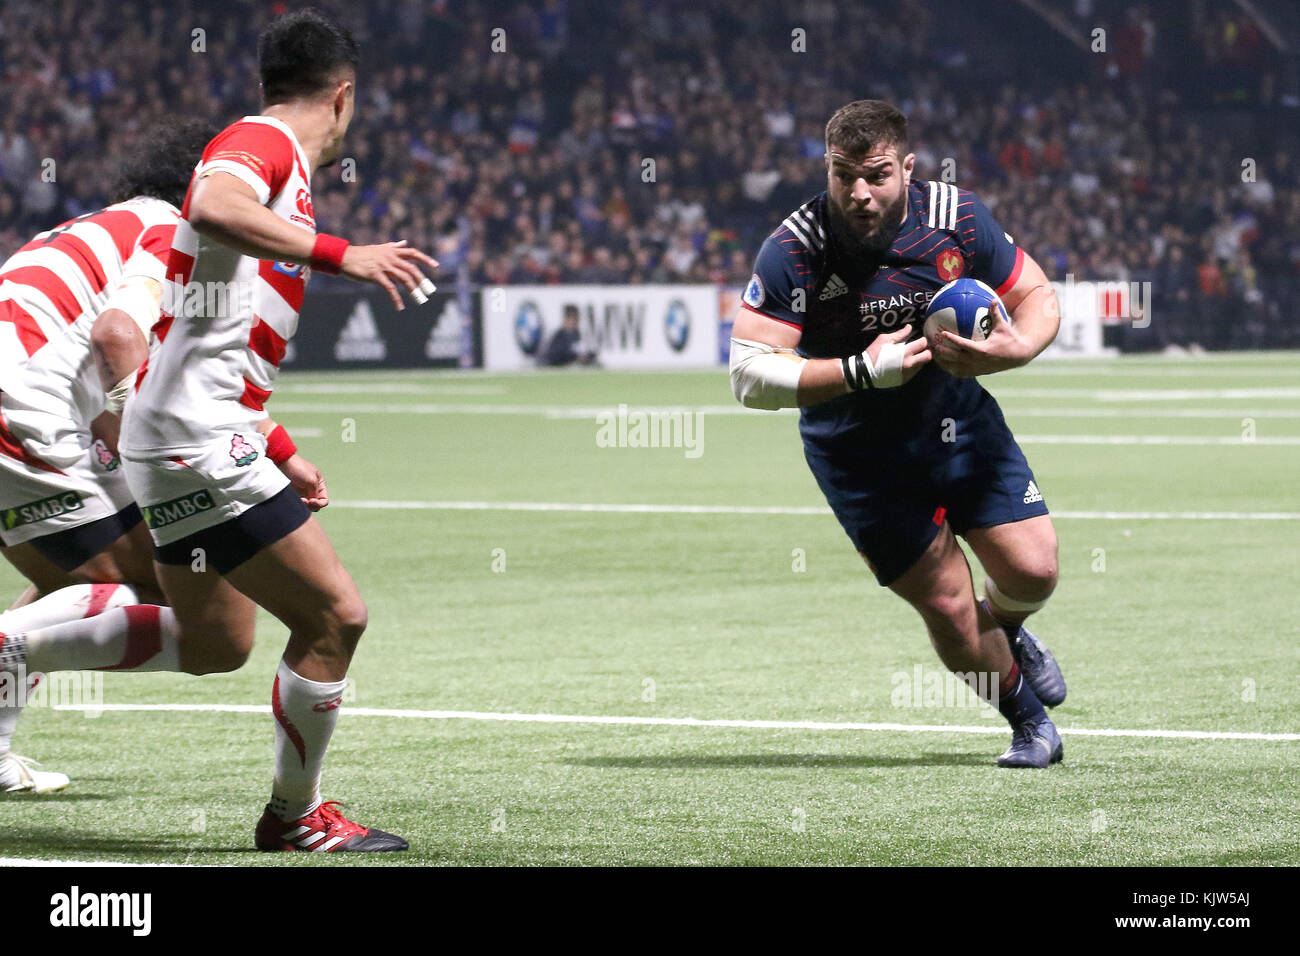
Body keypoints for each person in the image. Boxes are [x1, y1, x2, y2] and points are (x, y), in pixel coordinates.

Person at [0, 9, 438, 849]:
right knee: (335, 618)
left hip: (184, 434)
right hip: (189, 440)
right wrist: (344, 253)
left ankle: (16, 650)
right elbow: (210, 197)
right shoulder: (263, 144)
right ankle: (295, 819)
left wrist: (280, 449)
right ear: (342, 97)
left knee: (213, 640)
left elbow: (192, 342)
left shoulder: (262, 189)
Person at [729, 100, 1068, 768]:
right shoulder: (794, 248)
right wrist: (859, 371)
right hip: (858, 456)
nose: (859, 193)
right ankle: (1029, 723)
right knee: (946, 606)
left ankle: (1009, 630)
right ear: (826, 170)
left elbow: (1036, 296)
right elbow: (747, 377)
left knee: (1034, 570)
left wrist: (1012, 351)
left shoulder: (957, 218)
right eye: (843, 175)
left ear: (907, 168)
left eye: (877, 175)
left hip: (957, 422)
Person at [0, 120, 216, 794]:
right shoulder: (171, 232)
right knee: (169, 587)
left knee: (74, 586)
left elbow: (85, 368)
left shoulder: (94, 226)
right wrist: (155, 469)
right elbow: (119, 335)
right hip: (21, 403)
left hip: (25, 397)